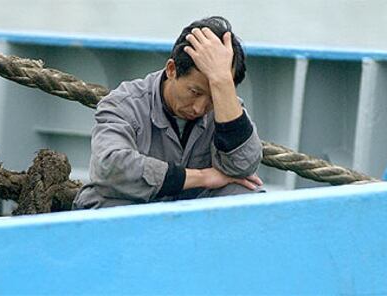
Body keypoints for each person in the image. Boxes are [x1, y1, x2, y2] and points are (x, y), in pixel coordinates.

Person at [73, 16, 264, 209]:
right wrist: (203, 177)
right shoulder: (124, 103)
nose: (199, 108)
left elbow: (243, 168)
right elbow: (110, 167)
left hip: (190, 210)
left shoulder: (226, 105)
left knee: (247, 197)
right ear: (171, 69)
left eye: (213, 96)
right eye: (194, 92)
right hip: (129, 205)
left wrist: (222, 82)